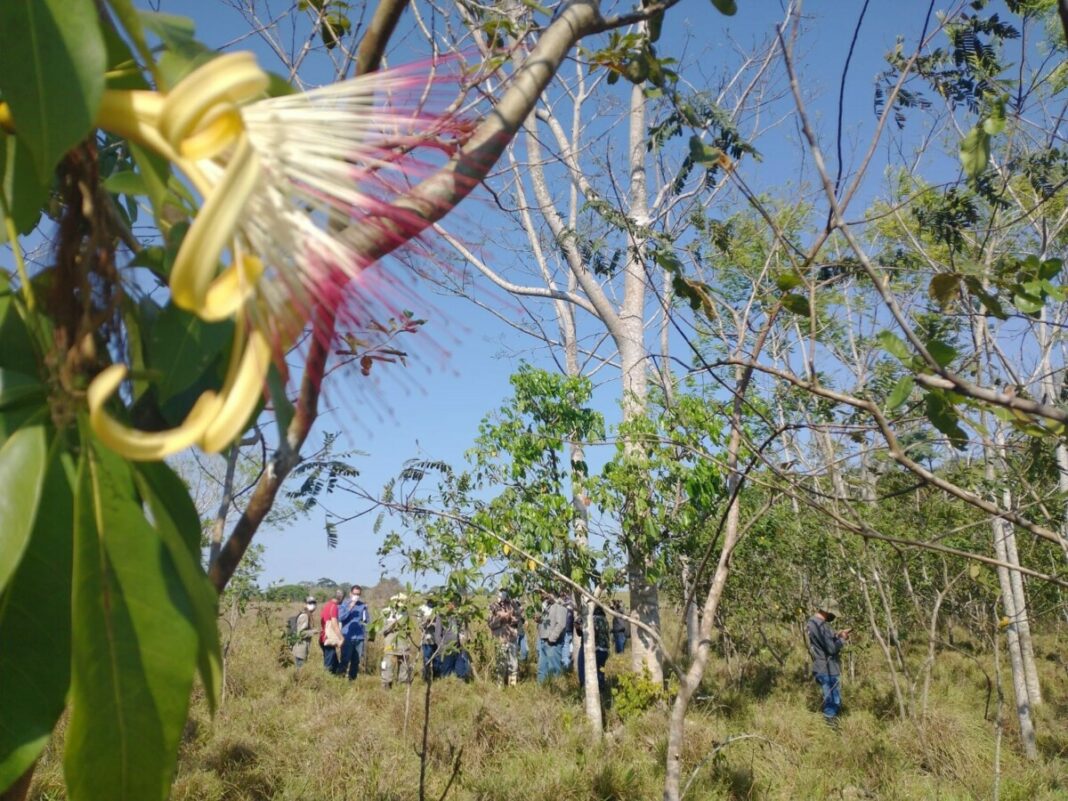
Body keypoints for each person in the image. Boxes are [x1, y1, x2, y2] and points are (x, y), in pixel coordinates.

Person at [807, 598, 851, 727]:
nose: (833, 616)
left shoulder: (812, 622)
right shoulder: (821, 625)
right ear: (828, 611)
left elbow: (823, 642)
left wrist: (836, 635)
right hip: (828, 669)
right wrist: (842, 639)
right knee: (833, 701)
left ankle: (830, 726)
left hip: (821, 666)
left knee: (830, 699)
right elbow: (831, 649)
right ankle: (830, 729)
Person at [488, 587, 521, 686]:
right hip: (500, 639)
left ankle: (512, 686)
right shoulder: (493, 606)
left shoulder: (512, 605)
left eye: (505, 591)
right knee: (500, 664)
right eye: (501, 591)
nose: (503, 594)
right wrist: (500, 618)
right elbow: (490, 623)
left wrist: (510, 617)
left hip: (512, 638)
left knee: (513, 664)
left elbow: (518, 619)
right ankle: (500, 686)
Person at [380, 594, 414, 689]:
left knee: (404, 662)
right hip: (390, 642)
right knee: (387, 663)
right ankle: (386, 682)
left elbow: (409, 628)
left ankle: (403, 682)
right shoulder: (385, 612)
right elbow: (381, 629)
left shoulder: (405, 613)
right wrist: (392, 625)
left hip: (403, 642)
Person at [338, 584, 370, 680]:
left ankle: (352, 680)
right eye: (355, 594)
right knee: (345, 659)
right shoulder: (344, 604)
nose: (356, 596)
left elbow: (367, 621)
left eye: (358, 594)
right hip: (347, 637)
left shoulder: (362, 605)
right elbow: (340, 617)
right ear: (350, 593)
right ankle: (340, 678)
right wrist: (350, 607)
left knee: (356, 661)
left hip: (359, 637)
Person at [576, 604, 610, 694]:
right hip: (605, 649)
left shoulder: (593, 619)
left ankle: (586, 689)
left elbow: (592, 633)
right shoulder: (605, 619)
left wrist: (580, 627)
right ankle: (602, 690)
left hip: (596, 648)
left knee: (585, 668)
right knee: (600, 671)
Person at [536, 590, 567, 683]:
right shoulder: (547, 607)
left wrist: (551, 639)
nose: (546, 597)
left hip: (553, 643)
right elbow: (545, 625)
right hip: (543, 641)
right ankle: (541, 690)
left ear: (554, 595)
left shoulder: (560, 607)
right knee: (542, 669)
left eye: (548, 595)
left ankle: (555, 691)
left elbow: (561, 624)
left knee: (554, 669)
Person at [319, 589, 344, 674]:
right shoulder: (334, 607)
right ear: (341, 597)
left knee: (334, 663)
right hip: (328, 638)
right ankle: (325, 683)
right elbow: (334, 624)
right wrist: (341, 638)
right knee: (329, 665)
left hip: (323, 637)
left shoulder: (327, 605)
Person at [291, 596, 319, 668]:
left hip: (302, 647)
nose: (312, 605)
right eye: (310, 603)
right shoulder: (305, 616)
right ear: (305, 604)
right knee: (300, 671)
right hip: (300, 648)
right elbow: (301, 633)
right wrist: (313, 632)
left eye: (313, 603)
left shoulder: (308, 615)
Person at [418, 599, 441, 681]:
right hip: (426, 640)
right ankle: (426, 677)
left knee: (437, 659)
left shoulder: (439, 609)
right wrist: (427, 623)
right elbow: (420, 625)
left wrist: (436, 624)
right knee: (426, 658)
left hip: (437, 639)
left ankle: (437, 677)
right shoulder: (422, 610)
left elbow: (442, 625)